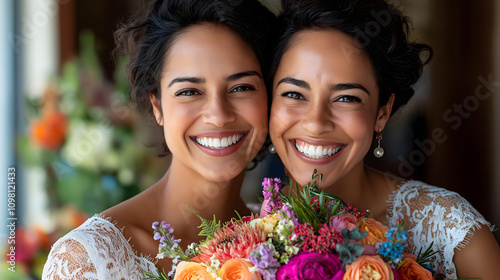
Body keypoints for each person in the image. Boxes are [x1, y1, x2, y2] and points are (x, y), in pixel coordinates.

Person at [42, 0, 276, 278]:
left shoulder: (289, 238)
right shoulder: (89, 261)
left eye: (241, 87)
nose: (219, 115)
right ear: (157, 105)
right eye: (189, 91)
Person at [268, 0, 500, 278]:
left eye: (346, 98)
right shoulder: (237, 236)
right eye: (294, 94)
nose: (316, 123)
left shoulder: (452, 234)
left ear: (383, 112)